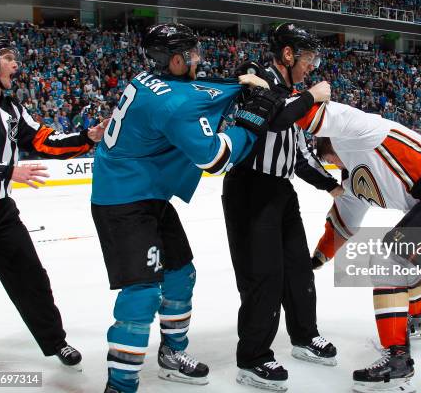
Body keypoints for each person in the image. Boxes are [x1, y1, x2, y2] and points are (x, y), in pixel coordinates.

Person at [90, 23, 282, 393]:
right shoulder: (172, 104)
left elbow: (193, 89)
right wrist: (252, 121)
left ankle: (172, 354)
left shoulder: (150, 78)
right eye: (192, 54)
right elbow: (213, 158)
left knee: (181, 275)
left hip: (148, 193)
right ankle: (121, 384)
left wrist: (235, 81)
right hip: (123, 201)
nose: (198, 60)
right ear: (175, 60)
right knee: (142, 292)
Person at [298, 101, 421, 393]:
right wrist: (318, 258)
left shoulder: (359, 131)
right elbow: (342, 224)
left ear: (332, 142)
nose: (337, 166)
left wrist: (284, 96)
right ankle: (419, 317)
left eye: (332, 159)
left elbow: (315, 114)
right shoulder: (352, 183)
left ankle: (397, 362)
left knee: (388, 261)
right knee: (404, 258)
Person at [0, 34, 106, 369]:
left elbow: (41, 138)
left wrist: (85, 137)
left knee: (30, 276)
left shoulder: (12, 107)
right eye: (6, 57)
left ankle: (54, 342)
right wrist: (6, 171)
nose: (15, 64)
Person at [221, 22, 342, 391]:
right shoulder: (256, 80)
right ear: (287, 54)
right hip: (250, 191)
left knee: (297, 270)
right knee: (264, 275)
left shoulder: (290, 92)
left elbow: (299, 154)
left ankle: (305, 336)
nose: (312, 65)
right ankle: (253, 358)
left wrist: (332, 187)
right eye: (307, 57)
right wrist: (311, 97)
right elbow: (273, 118)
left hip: (280, 192)